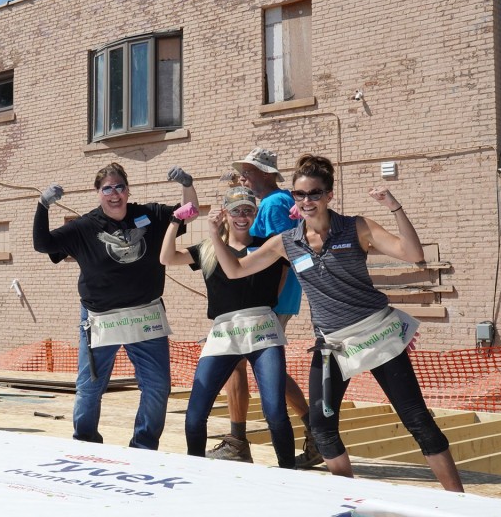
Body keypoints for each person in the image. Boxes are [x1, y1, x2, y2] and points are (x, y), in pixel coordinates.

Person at [208, 154, 463, 492]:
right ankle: (351, 497)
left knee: (417, 421)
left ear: (329, 195)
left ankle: (458, 502)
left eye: (314, 193)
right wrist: (214, 234)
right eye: (300, 195)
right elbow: (236, 270)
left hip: (377, 335)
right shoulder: (288, 241)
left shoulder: (356, 228)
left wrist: (395, 207)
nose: (307, 201)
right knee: (323, 429)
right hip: (332, 347)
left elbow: (413, 254)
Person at [32, 163, 199, 450]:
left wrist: (187, 183)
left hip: (145, 315)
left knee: (157, 386)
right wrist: (43, 205)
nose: (114, 194)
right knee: (90, 386)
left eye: (119, 187)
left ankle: (144, 445)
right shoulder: (84, 227)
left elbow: (190, 212)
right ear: (98, 193)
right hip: (101, 318)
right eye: (106, 188)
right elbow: (42, 243)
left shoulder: (150, 215)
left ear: (127, 189)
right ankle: (85, 443)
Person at [161, 187, 296, 468]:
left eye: (248, 210)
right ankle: (196, 469)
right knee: (195, 414)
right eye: (236, 210)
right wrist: (175, 221)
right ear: (226, 213)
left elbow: (285, 276)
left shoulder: (268, 245)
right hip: (224, 332)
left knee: (274, 411)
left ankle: (288, 470)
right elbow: (167, 258)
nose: (242, 216)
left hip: (261, 330)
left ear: (255, 213)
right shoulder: (209, 247)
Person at [210, 147, 320, 467]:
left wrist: (267, 303)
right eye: (244, 171)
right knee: (262, 367)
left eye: (250, 171)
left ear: (267, 173)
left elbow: (279, 259)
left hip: (268, 301)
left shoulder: (272, 204)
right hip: (274, 300)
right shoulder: (282, 200)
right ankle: (313, 429)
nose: (245, 175)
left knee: (236, 363)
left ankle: (238, 441)